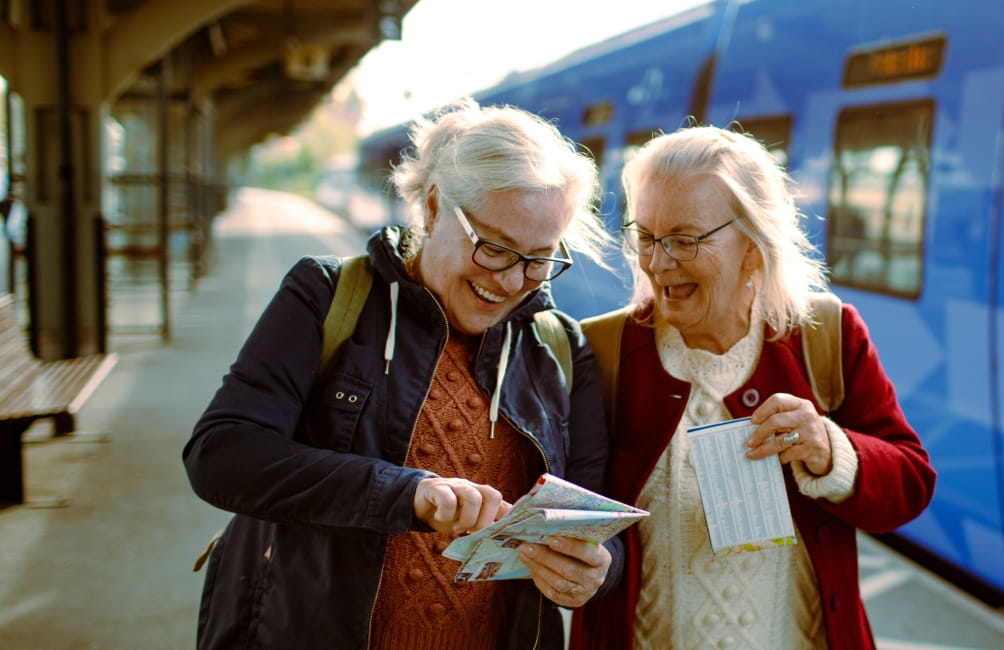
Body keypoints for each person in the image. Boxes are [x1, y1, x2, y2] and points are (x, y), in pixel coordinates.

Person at [183, 100, 620, 649]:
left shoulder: (559, 348)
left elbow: (592, 511)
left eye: (539, 259)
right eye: (493, 249)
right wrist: (407, 492)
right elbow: (221, 455)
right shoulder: (326, 297)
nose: (511, 282)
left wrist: (599, 570)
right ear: (435, 208)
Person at [570, 126, 936, 649]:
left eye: (684, 239)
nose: (658, 262)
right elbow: (568, 521)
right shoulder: (602, 351)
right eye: (647, 237)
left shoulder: (826, 336)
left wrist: (832, 450)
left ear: (752, 243)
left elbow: (910, 484)